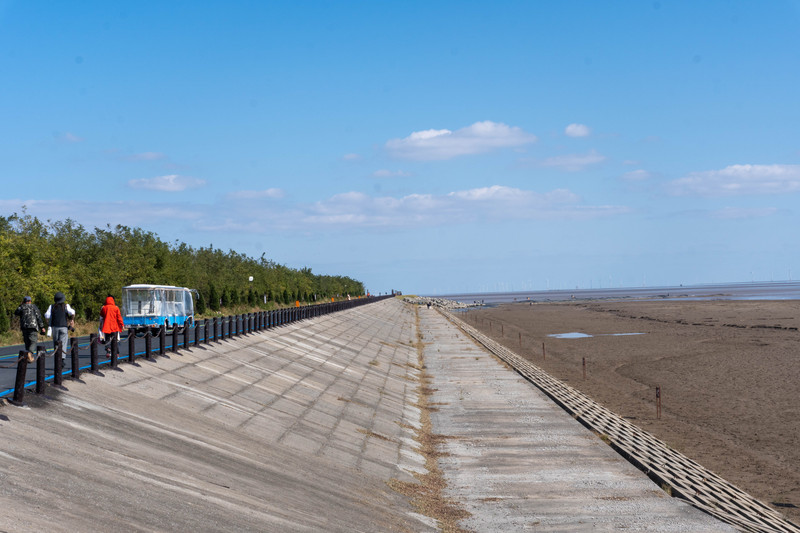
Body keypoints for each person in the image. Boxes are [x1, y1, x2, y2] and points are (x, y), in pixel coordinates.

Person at [14, 296, 46, 363]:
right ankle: (30, 353)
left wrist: (21, 305)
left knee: (27, 341)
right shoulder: (34, 307)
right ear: (30, 301)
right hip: (33, 326)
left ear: (24, 301)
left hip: (24, 327)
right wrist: (42, 327)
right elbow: (38, 317)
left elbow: (16, 312)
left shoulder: (22, 307)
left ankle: (27, 357)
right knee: (33, 341)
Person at [45, 291, 76, 359]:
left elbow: (47, 315)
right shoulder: (66, 306)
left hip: (55, 327)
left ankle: (57, 358)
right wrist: (72, 320)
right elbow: (72, 312)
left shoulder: (51, 306)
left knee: (56, 343)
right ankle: (62, 359)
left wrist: (48, 324)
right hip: (64, 327)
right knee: (63, 344)